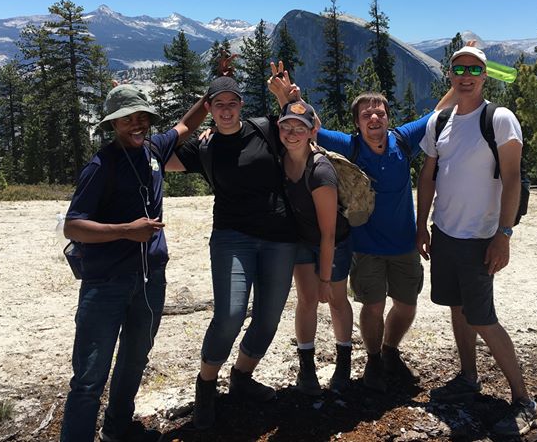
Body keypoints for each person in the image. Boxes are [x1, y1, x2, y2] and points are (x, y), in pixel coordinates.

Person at [268, 66, 455, 392]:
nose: (374, 118)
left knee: (407, 306)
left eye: (380, 113)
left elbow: (438, 112)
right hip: (366, 247)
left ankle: (389, 349)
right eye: (366, 114)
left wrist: (461, 79)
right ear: (357, 122)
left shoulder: (403, 140)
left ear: (388, 118)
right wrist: (287, 98)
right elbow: (307, 128)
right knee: (373, 305)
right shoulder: (349, 145)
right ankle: (373, 359)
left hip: (404, 243)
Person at [60, 83, 207, 442]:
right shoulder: (101, 165)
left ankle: (118, 429)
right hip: (106, 283)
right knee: (90, 374)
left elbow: (185, 126)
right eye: (127, 119)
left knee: (135, 359)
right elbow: (73, 226)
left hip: (150, 280)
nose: (137, 124)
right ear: (113, 123)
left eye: (142, 117)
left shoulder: (154, 150)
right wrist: (127, 230)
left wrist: (214, 90)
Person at [415, 46, 537, 437]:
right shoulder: (440, 121)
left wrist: (504, 235)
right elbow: (428, 177)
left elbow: (512, 179)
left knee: (483, 317)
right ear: (449, 75)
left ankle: (524, 401)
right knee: (457, 307)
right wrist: (421, 226)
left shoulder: (499, 119)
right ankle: (468, 378)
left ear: (485, 76)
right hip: (445, 233)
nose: (466, 76)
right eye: (459, 69)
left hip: (480, 237)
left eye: (474, 70)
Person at [174, 75, 299, 430]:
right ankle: (206, 386)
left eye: (232, 103)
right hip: (232, 237)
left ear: (242, 105)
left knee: (268, 318)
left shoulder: (265, 129)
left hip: (279, 238)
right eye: (218, 105)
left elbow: (304, 129)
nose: (226, 111)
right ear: (209, 108)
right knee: (229, 314)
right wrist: (196, 118)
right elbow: (159, 151)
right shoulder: (203, 147)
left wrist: (288, 99)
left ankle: (242, 378)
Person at [274, 97, 354, 395]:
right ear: (279, 128)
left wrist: (325, 279)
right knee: (306, 300)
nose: (292, 133)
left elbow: (329, 233)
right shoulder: (279, 159)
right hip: (302, 240)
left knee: (335, 298)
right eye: (287, 126)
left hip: (333, 242)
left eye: (300, 128)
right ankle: (307, 369)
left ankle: (343, 364)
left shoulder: (320, 171)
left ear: (311, 131)